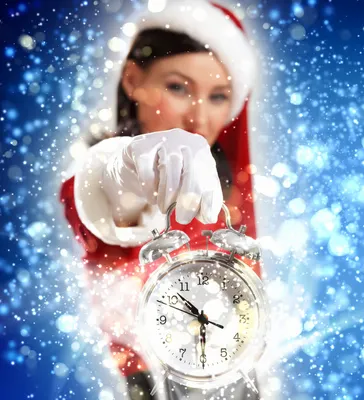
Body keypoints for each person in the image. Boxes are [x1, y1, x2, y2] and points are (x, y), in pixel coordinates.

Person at [59, 1, 263, 398]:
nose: (199, 119)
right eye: (178, 88)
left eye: (219, 96)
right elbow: (104, 197)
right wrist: (130, 164)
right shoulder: (99, 179)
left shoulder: (229, 202)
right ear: (133, 79)